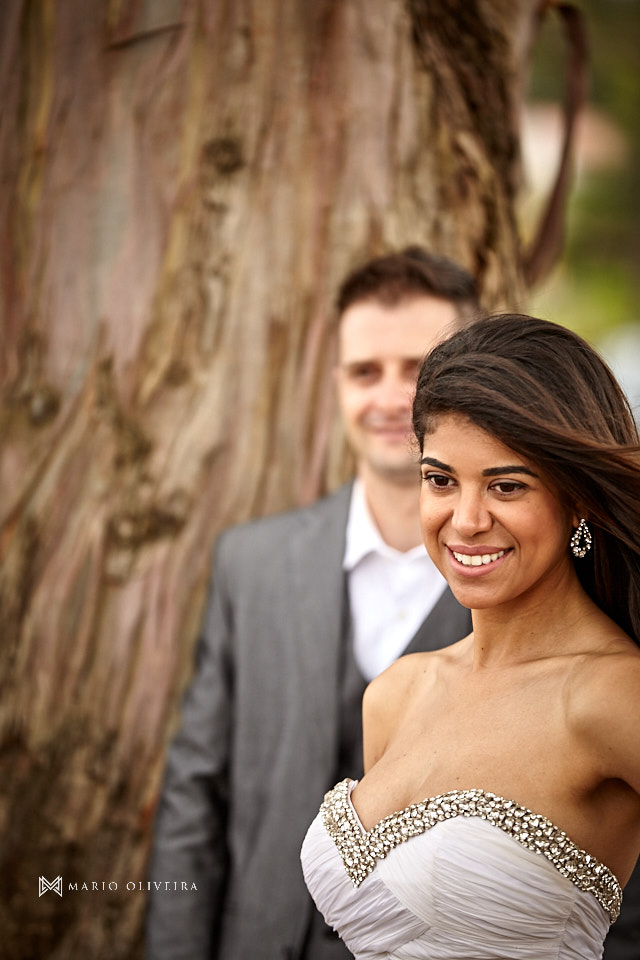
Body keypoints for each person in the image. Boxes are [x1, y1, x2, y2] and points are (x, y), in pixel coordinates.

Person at [145, 248, 480, 960]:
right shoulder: (251, 564)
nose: (391, 399)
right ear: (335, 384)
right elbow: (193, 799)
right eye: (365, 372)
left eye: (418, 370)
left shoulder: (540, 587)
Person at [301, 313, 640, 960]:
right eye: (441, 480)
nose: (466, 520)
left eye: (506, 485)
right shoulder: (396, 694)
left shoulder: (612, 694)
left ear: (580, 501)